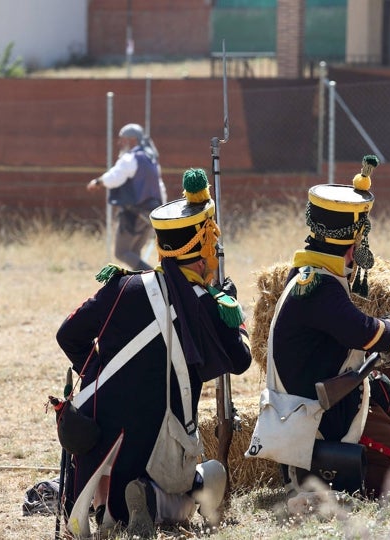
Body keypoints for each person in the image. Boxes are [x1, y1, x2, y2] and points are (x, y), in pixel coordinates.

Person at [57, 168, 252, 538]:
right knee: (212, 476)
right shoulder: (211, 308)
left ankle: (111, 512)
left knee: (111, 487)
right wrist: (232, 308)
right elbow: (241, 360)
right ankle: (149, 500)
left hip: (98, 455)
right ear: (203, 252)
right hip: (164, 455)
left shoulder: (122, 287)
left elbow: (68, 334)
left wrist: (99, 370)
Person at [253, 155, 390, 502]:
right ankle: (334, 467)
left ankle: (367, 446)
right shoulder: (319, 286)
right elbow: (364, 332)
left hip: (326, 393)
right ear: (353, 240)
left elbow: (352, 338)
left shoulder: (313, 274)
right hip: (319, 414)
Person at [87, 123, 167, 271]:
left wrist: (98, 182)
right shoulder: (151, 160)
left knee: (122, 252)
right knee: (134, 252)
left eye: (122, 139)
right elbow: (160, 187)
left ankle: (155, 276)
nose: (119, 143)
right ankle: (144, 286)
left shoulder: (130, 158)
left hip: (134, 214)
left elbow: (115, 177)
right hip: (150, 214)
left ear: (132, 140)